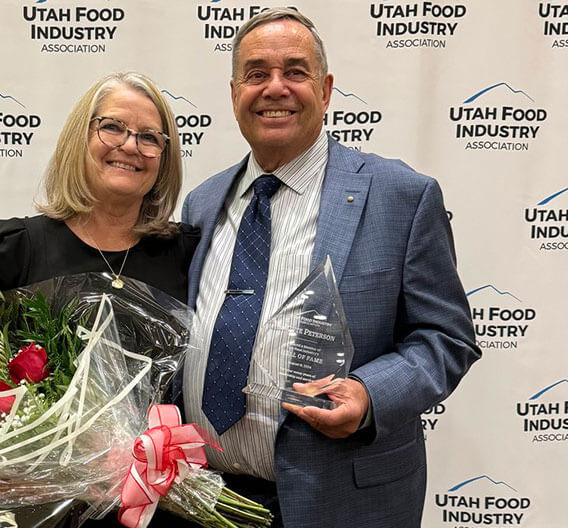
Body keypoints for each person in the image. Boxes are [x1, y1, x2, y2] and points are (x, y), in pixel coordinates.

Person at [180, 8, 481, 528]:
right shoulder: (203, 203)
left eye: (295, 72)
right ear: (234, 95)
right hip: (209, 501)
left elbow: (446, 338)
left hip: (343, 502)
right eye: (256, 74)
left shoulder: (401, 197)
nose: (275, 87)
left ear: (325, 90)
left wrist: (368, 395)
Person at [0, 71, 199, 527]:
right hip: (51, 508)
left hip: (167, 503)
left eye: (151, 137)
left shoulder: (187, 250)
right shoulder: (14, 246)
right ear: (82, 135)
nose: (130, 146)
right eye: (112, 127)